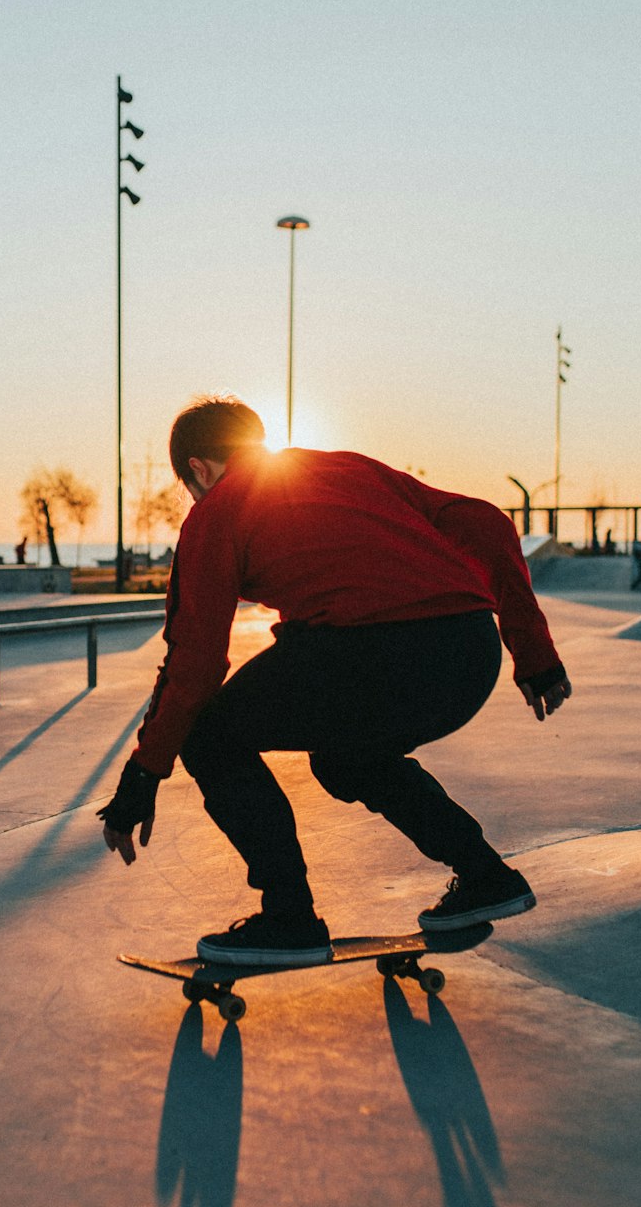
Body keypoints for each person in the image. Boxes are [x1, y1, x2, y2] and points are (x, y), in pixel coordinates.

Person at [98, 397, 572, 967]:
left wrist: (142, 776)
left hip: (373, 651)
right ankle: (485, 874)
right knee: (348, 757)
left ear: (199, 469)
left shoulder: (218, 510)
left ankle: (289, 919)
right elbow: (486, 522)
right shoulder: (348, 469)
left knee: (211, 735)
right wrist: (534, 650)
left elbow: (195, 661)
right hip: (468, 652)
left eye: (192, 487)